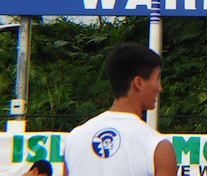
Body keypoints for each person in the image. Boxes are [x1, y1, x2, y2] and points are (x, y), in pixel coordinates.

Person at [63, 43, 177, 176]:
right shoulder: (158, 147)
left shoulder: (74, 139)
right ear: (138, 83)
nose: (159, 88)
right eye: (157, 78)